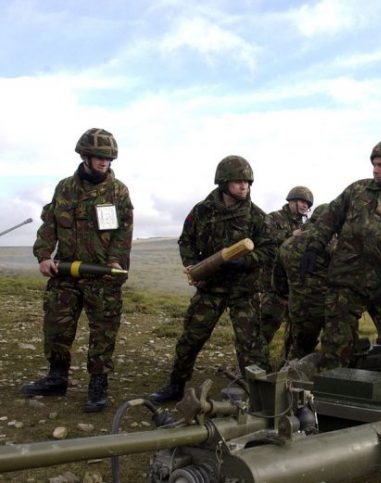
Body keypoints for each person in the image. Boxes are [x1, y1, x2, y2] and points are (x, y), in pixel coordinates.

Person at [301, 138, 381, 389]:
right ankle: (332, 394)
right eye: (374, 164)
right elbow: (329, 219)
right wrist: (314, 245)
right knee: (336, 340)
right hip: (346, 278)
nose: (375, 169)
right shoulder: (356, 191)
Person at [22, 128, 134, 413]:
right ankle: (56, 377)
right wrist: (44, 255)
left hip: (103, 274)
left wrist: (116, 262)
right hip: (66, 272)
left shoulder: (118, 191)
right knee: (57, 327)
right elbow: (49, 225)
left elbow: (123, 232)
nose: (103, 162)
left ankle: (98, 383)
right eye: (98, 157)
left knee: (103, 332)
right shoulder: (64, 188)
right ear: (85, 156)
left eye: (108, 158)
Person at [148, 155, 275, 404]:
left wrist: (245, 260)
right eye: (238, 181)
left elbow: (270, 249)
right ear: (224, 182)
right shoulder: (201, 212)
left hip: (244, 291)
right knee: (191, 338)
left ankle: (261, 395)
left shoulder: (257, 217)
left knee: (252, 346)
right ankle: (175, 385)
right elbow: (186, 241)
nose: (244, 186)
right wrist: (192, 265)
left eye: (247, 182)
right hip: (210, 288)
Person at [254, 186, 313, 367]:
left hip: (293, 286)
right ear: (291, 201)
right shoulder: (273, 218)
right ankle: (256, 366)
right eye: (302, 201)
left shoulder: (304, 225)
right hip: (272, 285)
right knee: (266, 327)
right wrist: (290, 235)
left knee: (294, 330)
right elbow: (264, 240)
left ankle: (286, 366)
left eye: (307, 204)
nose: (304, 206)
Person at [272, 204, 332, 359]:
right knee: (333, 351)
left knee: (298, 349)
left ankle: (285, 378)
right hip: (328, 307)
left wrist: (292, 295)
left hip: (298, 307)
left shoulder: (287, 244)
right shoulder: (333, 244)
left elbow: (278, 281)